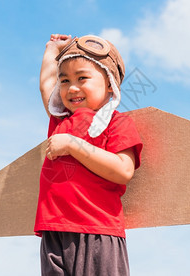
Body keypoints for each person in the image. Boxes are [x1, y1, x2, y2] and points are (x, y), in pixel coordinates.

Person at [34, 33, 143, 276]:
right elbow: (46, 84)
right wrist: (52, 49)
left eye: (82, 78)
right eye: (65, 81)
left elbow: (123, 170)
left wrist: (74, 145)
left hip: (97, 231)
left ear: (108, 84)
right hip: (54, 232)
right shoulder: (61, 120)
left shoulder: (116, 123)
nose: (72, 88)